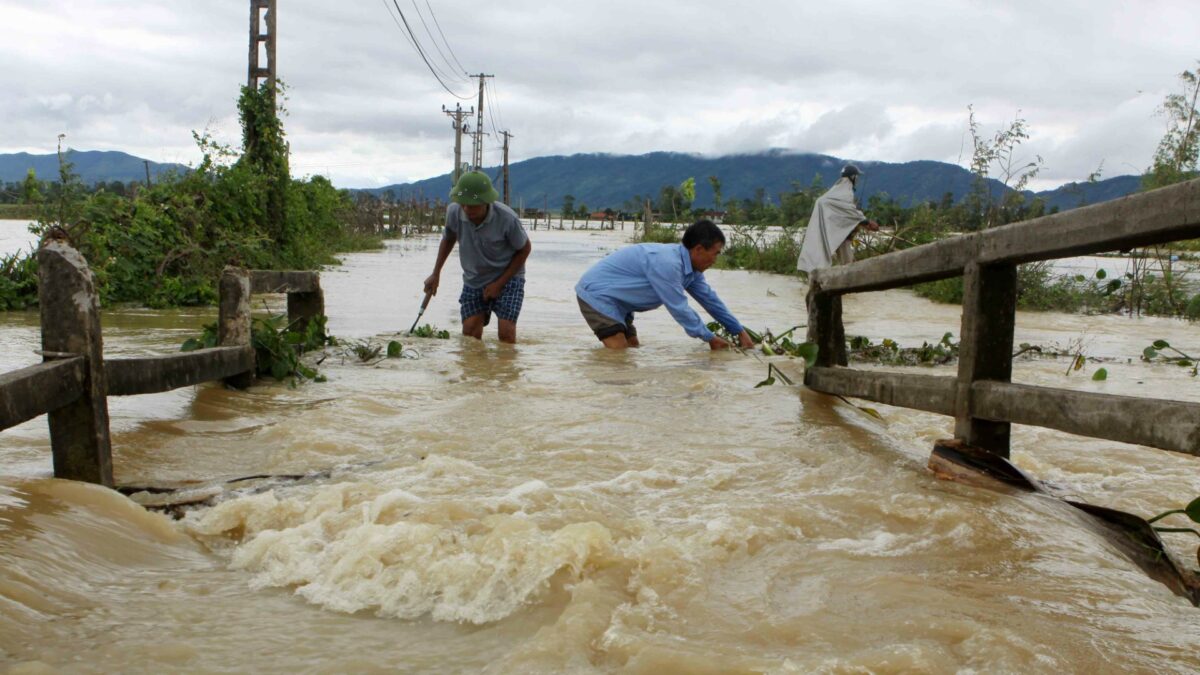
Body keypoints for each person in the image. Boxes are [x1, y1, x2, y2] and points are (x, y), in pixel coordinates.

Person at [574, 219, 756, 350]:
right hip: (598, 295)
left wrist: (739, 331)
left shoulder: (692, 271)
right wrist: (710, 338)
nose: (716, 259)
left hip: (622, 302)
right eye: (715, 253)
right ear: (699, 249)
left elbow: (710, 301)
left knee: (632, 348)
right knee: (618, 355)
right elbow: (679, 307)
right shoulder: (668, 263)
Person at [423, 171, 532, 343]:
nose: (466, 209)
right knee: (470, 336)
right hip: (474, 278)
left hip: (509, 278)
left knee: (506, 334)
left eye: (473, 205)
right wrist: (436, 273)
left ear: (486, 202)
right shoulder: (454, 212)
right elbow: (448, 238)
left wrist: (499, 284)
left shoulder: (507, 218)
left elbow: (525, 249)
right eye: (463, 204)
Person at [796, 164, 880, 274]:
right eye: (857, 177)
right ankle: (845, 285)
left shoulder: (836, 192)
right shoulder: (845, 193)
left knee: (845, 263)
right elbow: (849, 212)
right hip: (841, 236)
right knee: (848, 265)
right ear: (853, 177)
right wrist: (866, 222)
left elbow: (846, 214)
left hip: (839, 233)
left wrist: (862, 221)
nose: (858, 180)